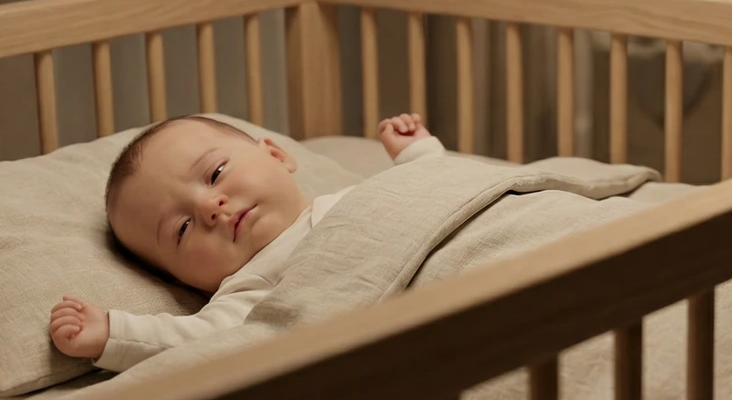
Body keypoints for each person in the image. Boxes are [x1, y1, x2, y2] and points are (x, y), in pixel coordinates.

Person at [47, 113, 441, 371]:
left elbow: (435, 192)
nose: (209, 207)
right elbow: (193, 345)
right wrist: (111, 332)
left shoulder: (356, 197)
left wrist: (419, 154)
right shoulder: (249, 288)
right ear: (181, 279)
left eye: (216, 172)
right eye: (182, 229)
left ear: (276, 154)